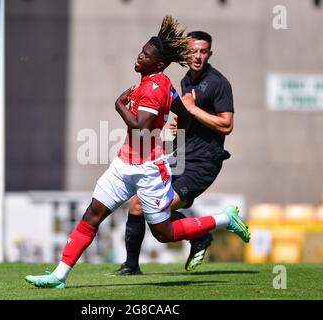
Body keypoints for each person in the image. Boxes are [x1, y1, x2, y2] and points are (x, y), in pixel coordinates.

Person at [25, 16, 249, 289]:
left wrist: (119, 105)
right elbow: (182, 112)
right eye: (141, 51)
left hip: (148, 171)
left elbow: (141, 126)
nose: (138, 56)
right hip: (124, 164)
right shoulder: (165, 83)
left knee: (164, 233)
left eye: (145, 55)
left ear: (158, 64)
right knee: (91, 215)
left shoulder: (153, 89)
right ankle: (58, 276)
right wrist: (178, 137)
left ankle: (224, 219)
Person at [115, 31, 236, 275]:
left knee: (158, 209)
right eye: (194, 51)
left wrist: (191, 110)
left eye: (203, 51)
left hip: (204, 161)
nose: (198, 56)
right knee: (138, 204)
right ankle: (131, 266)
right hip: (181, 157)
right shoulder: (185, 81)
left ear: (209, 54)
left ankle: (201, 235)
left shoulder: (218, 83)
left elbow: (227, 125)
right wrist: (179, 126)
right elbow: (186, 120)